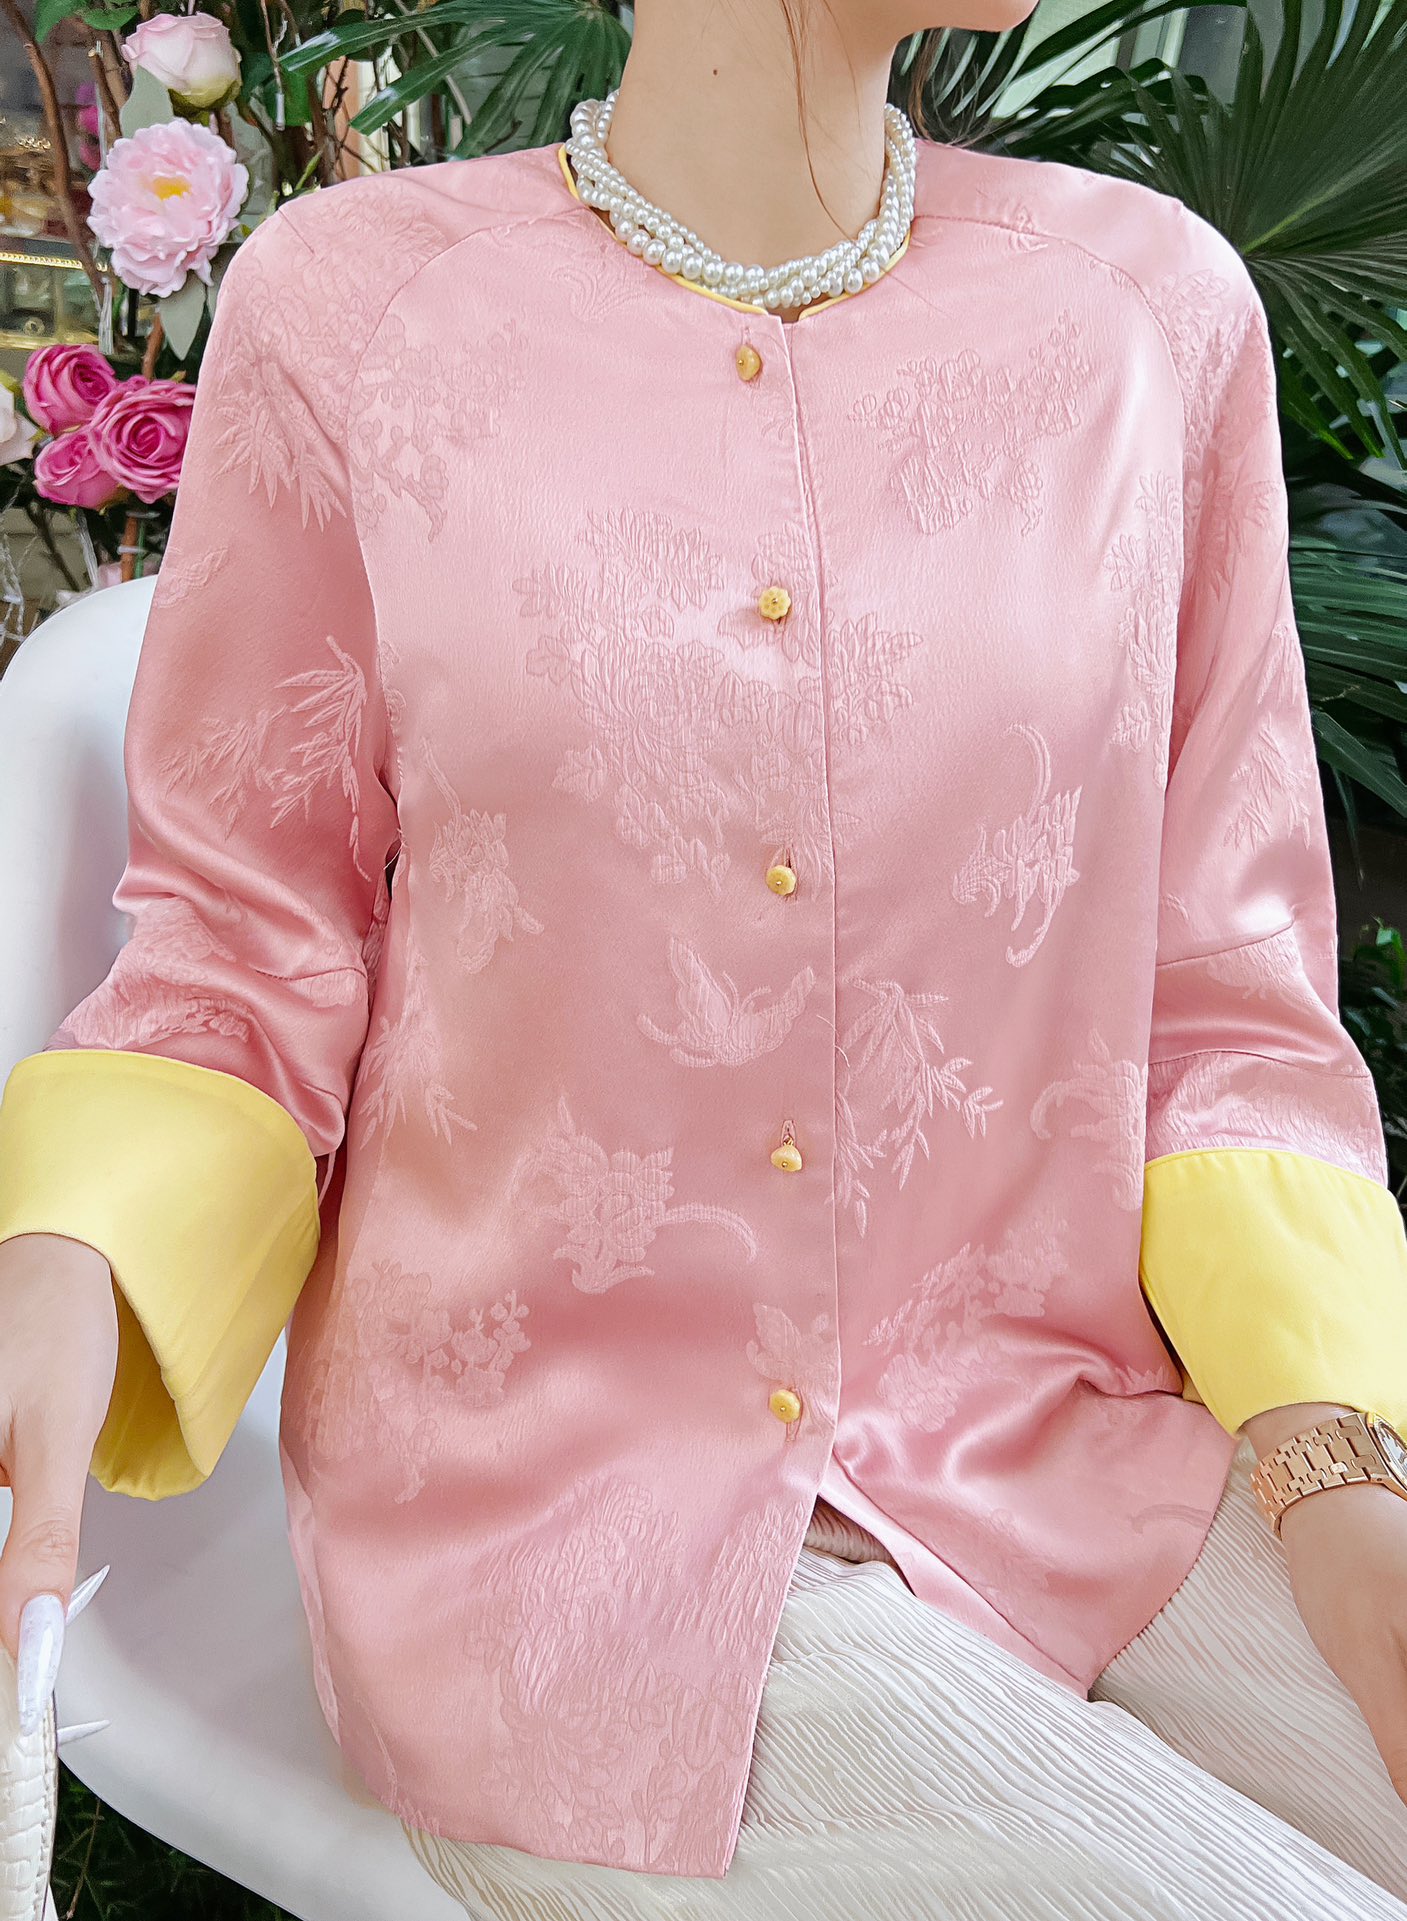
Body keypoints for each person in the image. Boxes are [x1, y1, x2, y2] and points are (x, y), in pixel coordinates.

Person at [2, 0, 1407, 1911]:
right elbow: (249, 937)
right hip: (561, 1535)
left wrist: (1333, 1471)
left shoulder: (1149, 321)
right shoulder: (355, 313)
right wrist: (72, 1248)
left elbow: (1225, 995)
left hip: (1080, 1455)